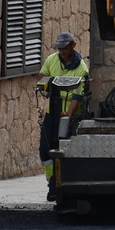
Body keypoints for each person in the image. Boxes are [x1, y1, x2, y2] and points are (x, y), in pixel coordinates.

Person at [37, 32, 89, 201]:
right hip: (52, 112)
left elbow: (77, 97)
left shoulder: (81, 69)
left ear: (73, 45)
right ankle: (52, 180)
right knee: (45, 148)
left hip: (70, 115)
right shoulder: (52, 60)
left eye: (65, 48)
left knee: (64, 149)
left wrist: (67, 118)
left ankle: (64, 183)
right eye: (59, 48)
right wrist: (46, 85)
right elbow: (42, 76)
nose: (62, 52)